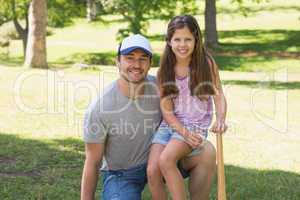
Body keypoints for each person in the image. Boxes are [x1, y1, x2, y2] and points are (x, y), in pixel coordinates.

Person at [81, 34, 217, 200]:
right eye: (129, 58)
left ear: (150, 63)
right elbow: (92, 162)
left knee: (207, 151)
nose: (136, 65)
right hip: (123, 174)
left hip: (162, 160)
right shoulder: (100, 108)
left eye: (143, 59)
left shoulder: (162, 86)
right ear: (118, 61)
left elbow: (192, 106)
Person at [147, 15, 227, 200]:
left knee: (166, 160)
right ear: (169, 41)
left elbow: (219, 96)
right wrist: (180, 130)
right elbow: (166, 110)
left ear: (196, 40)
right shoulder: (165, 70)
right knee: (152, 170)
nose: (182, 44)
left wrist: (221, 119)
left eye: (188, 39)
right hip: (172, 125)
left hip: (195, 125)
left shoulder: (206, 64)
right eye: (177, 39)